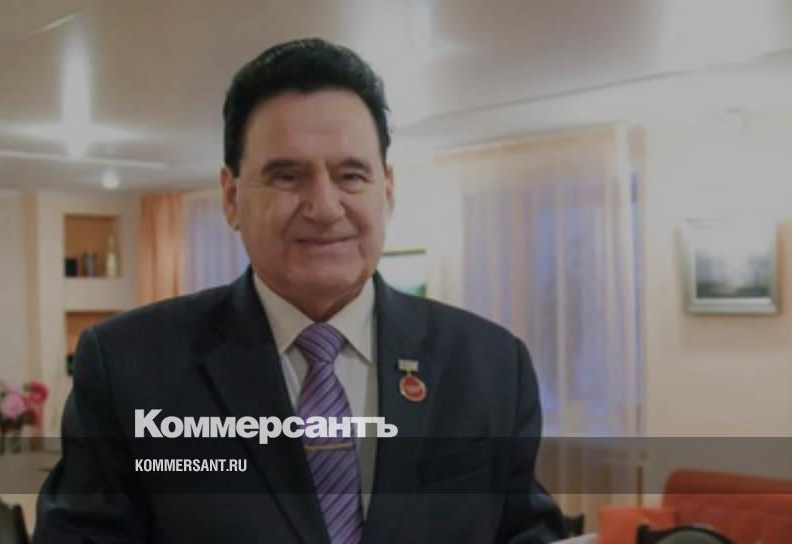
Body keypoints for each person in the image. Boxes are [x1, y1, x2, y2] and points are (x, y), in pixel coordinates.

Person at [34, 38, 565, 543]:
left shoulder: (490, 365)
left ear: (387, 189)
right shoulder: (131, 370)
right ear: (231, 197)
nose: (325, 207)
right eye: (287, 176)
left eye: (351, 175)